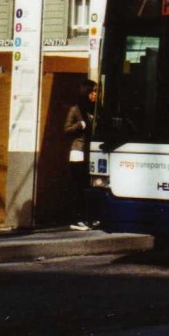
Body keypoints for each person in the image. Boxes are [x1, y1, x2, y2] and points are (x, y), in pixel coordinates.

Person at [64, 80, 97, 231]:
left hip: (89, 151)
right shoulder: (75, 110)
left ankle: (87, 217)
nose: (94, 95)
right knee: (77, 186)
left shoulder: (93, 110)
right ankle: (75, 219)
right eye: (92, 92)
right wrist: (79, 125)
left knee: (86, 185)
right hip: (78, 150)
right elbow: (66, 129)